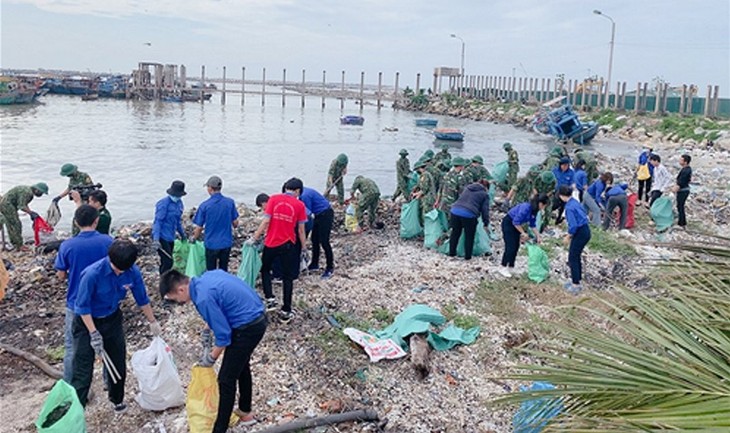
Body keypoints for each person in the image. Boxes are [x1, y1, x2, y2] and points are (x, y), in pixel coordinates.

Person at [160, 270, 267, 431]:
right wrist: (208, 327)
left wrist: (210, 358)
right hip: (257, 315)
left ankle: (220, 428)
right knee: (241, 365)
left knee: (225, 379)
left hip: (248, 327)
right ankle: (245, 412)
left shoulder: (202, 298)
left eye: (176, 299)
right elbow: (221, 303)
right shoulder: (206, 278)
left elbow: (224, 336)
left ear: (181, 289)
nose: (179, 302)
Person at [71, 239, 162, 410]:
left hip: (112, 318)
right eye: (116, 269)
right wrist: (93, 333)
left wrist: (152, 321)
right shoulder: (92, 274)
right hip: (87, 322)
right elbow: (82, 307)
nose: (120, 272)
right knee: (83, 367)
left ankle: (117, 400)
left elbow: (141, 298)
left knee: (117, 360)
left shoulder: (132, 272)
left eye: (123, 270)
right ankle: (77, 408)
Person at [55, 205, 113, 383]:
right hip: (104, 301)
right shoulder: (108, 241)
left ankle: (70, 384)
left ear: (75, 222)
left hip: (76, 302)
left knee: (72, 346)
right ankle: (109, 383)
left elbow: (60, 274)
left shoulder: (67, 245)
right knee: (109, 344)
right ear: (96, 221)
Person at [250, 178, 307, 323]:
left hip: (271, 243)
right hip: (288, 244)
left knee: (265, 270)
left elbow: (266, 221)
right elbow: (301, 230)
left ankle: (270, 299)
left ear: (286, 188)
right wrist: (304, 247)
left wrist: (255, 238)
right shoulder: (299, 205)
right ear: (297, 191)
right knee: (288, 278)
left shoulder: (273, 199)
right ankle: (286, 311)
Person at [191, 176, 239, 272]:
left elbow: (199, 227)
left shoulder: (205, 205)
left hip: (211, 244)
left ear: (210, 188)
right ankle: (223, 286)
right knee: (223, 269)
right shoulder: (229, 203)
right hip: (226, 243)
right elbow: (235, 223)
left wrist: (194, 238)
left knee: (211, 271)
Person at [499, 194, 549, 277]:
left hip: (517, 226)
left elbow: (532, 224)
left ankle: (511, 266)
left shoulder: (535, 210)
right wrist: (523, 233)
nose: (543, 208)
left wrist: (538, 236)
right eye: (544, 205)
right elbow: (515, 221)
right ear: (540, 203)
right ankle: (503, 266)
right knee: (510, 246)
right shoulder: (526, 207)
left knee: (516, 246)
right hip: (509, 223)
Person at [558, 185, 591, 294]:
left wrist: (568, 236)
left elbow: (573, 225)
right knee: (576, 256)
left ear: (561, 196)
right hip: (585, 230)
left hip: (580, 232)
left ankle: (575, 284)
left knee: (572, 257)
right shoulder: (575, 202)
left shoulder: (569, 207)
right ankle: (577, 280)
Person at [449, 180, 490, 260]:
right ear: (486, 188)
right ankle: (467, 257)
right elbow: (485, 210)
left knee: (455, 233)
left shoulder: (467, 188)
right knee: (469, 236)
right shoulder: (484, 195)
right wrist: (486, 223)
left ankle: (452, 253)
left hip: (455, 211)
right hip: (469, 214)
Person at [299, 186, 335, 278]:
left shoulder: (304, 196)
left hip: (326, 214)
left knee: (324, 241)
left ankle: (330, 268)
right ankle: (314, 264)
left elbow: (307, 216)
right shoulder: (302, 193)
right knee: (314, 239)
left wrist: (303, 235)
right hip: (318, 215)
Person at [152, 181, 187, 275]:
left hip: (171, 236)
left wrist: (183, 235)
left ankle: (164, 279)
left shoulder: (179, 204)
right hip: (162, 236)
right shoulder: (163, 204)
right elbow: (157, 222)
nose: (177, 197)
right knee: (168, 261)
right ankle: (164, 281)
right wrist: (156, 239)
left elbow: (178, 221)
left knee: (168, 261)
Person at [0, 183, 48, 250]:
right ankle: (18, 245)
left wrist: (30, 212)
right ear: (37, 190)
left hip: (6, 203)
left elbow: (23, 204)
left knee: (10, 224)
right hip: (7, 205)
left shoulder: (27, 190)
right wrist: (31, 213)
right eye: (41, 193)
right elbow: (21, 206)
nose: (41, 194)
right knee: (16, 225)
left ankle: (15, 243)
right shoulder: (28, 193)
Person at [552, 157, 575, 224]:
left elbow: (572, 183)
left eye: (567, 165)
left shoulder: (571, 173)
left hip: (565, 192)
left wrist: (571, 188)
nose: (565, 167)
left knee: (562, 207)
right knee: (554, 204)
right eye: (564, 165)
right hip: (555, 191)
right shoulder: (555, 171)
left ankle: (558, 219)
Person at [672, 154, 692, 229]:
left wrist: (675, 188)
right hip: (683, 190)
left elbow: (681, 182)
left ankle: (682, 223)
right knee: (679, 206)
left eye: (681, 160)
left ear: (685, 162)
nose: (679, 161)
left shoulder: (686, 171)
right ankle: (682, 222)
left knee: (680, 206)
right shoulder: (686, 169)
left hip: (683, 191)